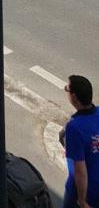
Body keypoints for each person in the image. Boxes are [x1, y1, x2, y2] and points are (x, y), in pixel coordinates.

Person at [62, 75, 99, 208]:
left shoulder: (74, 127)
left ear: (75, 98)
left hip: (83, 191)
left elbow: (80, 170)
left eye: (67, 89)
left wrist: (82, 201)